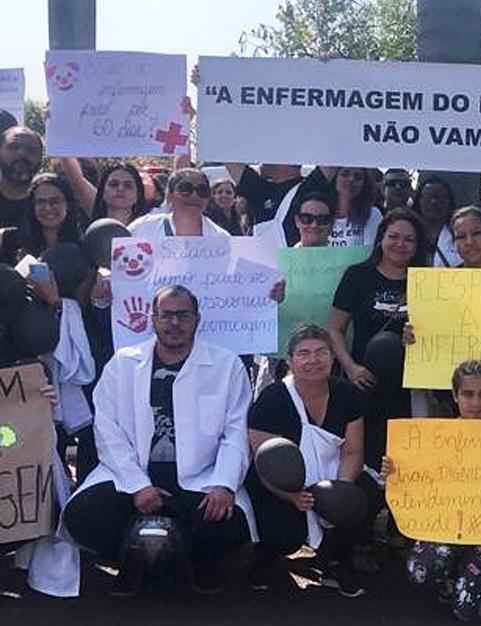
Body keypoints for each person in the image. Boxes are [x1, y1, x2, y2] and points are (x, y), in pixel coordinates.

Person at [63, 285, 254, 595]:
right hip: (132, 474)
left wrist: (224, 484)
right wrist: (138, 485)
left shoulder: (226, 365)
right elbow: (106, 430)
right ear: (153, 318)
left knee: (230, 522)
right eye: (166, 315)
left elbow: (236, 432)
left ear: (197, 319)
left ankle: (198, 563)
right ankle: (130, 559)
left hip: (199, 477)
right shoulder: (123, 363)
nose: (174, 323)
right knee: (83, 514)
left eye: (183, 315)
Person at [386, 360, 481, 622]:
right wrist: (396, 471)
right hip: (447, 527)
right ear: (455, 395)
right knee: (421, 572)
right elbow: (419, 481)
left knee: (467, 611)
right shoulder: (437, 436)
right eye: (468, 394)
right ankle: (457, 573)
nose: (476, 402)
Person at [245, 325, 379, 597]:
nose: (313, 360)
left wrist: (341, 491)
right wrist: (290, 495)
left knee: (362, 496)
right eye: (304, 354)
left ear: (332, 358)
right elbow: (262, 460)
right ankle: (266, 557)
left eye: (321, 353)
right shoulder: (272, 398)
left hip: (333, 473)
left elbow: (353, 451)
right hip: (281, 484)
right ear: (290, 360)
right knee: (284, 534)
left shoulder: (347, 394)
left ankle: (336, 559)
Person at [329, 208, 430, 470]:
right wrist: (351, 368)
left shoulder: (430, 282)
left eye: (409, 239)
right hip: (365, 379)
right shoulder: (357, 276)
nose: (400, 244)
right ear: (381, 238)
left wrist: (422, 335)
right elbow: (335, 329)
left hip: (411, 385)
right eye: (393, 236)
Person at [128, 169, 231, 238]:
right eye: (185, 189)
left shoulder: (221, 238)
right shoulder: (143, 228)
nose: (194, 196)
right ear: (170, 196)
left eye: (202, 190)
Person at [56, 159, 148, 226]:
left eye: (128, 186)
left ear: (138, 195)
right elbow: (76, 178)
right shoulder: (95, 210)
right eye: (113, 184)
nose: (120, 189)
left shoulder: (148, 224)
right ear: (103, 191)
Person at [14, 173, 84, 259]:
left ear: (68, 204)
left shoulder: (84, 247)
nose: (47, 208)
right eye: (41, 202)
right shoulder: (13, 241)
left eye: (55, 201)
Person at [0, 126, 44, 229]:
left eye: (31, 149)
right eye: (13, 147)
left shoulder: (51, 200)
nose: (22, 154)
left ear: (41, 157)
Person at [328, 167, 383, 248]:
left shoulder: (373, 214)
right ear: (335, 179)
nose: (351, 179)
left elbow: (370, 252)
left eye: (358, 177)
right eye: (345, 174)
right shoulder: (322, 212)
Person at [415, 175, 458, 267]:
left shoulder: (460, 235)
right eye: (428, 197)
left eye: (440, 197)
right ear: (419, 201)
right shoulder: (410, 233)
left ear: (449, 202)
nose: (434, 202)